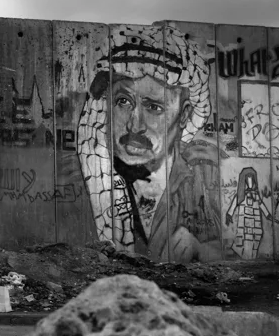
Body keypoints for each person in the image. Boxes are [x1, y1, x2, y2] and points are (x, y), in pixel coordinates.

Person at [76, 24, 223, 263]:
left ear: (184, 115)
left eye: (154, 107)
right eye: (123, 101)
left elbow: (240, 251)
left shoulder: (204, 176)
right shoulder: (79, 183)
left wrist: (199, 249)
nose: (135, 126)